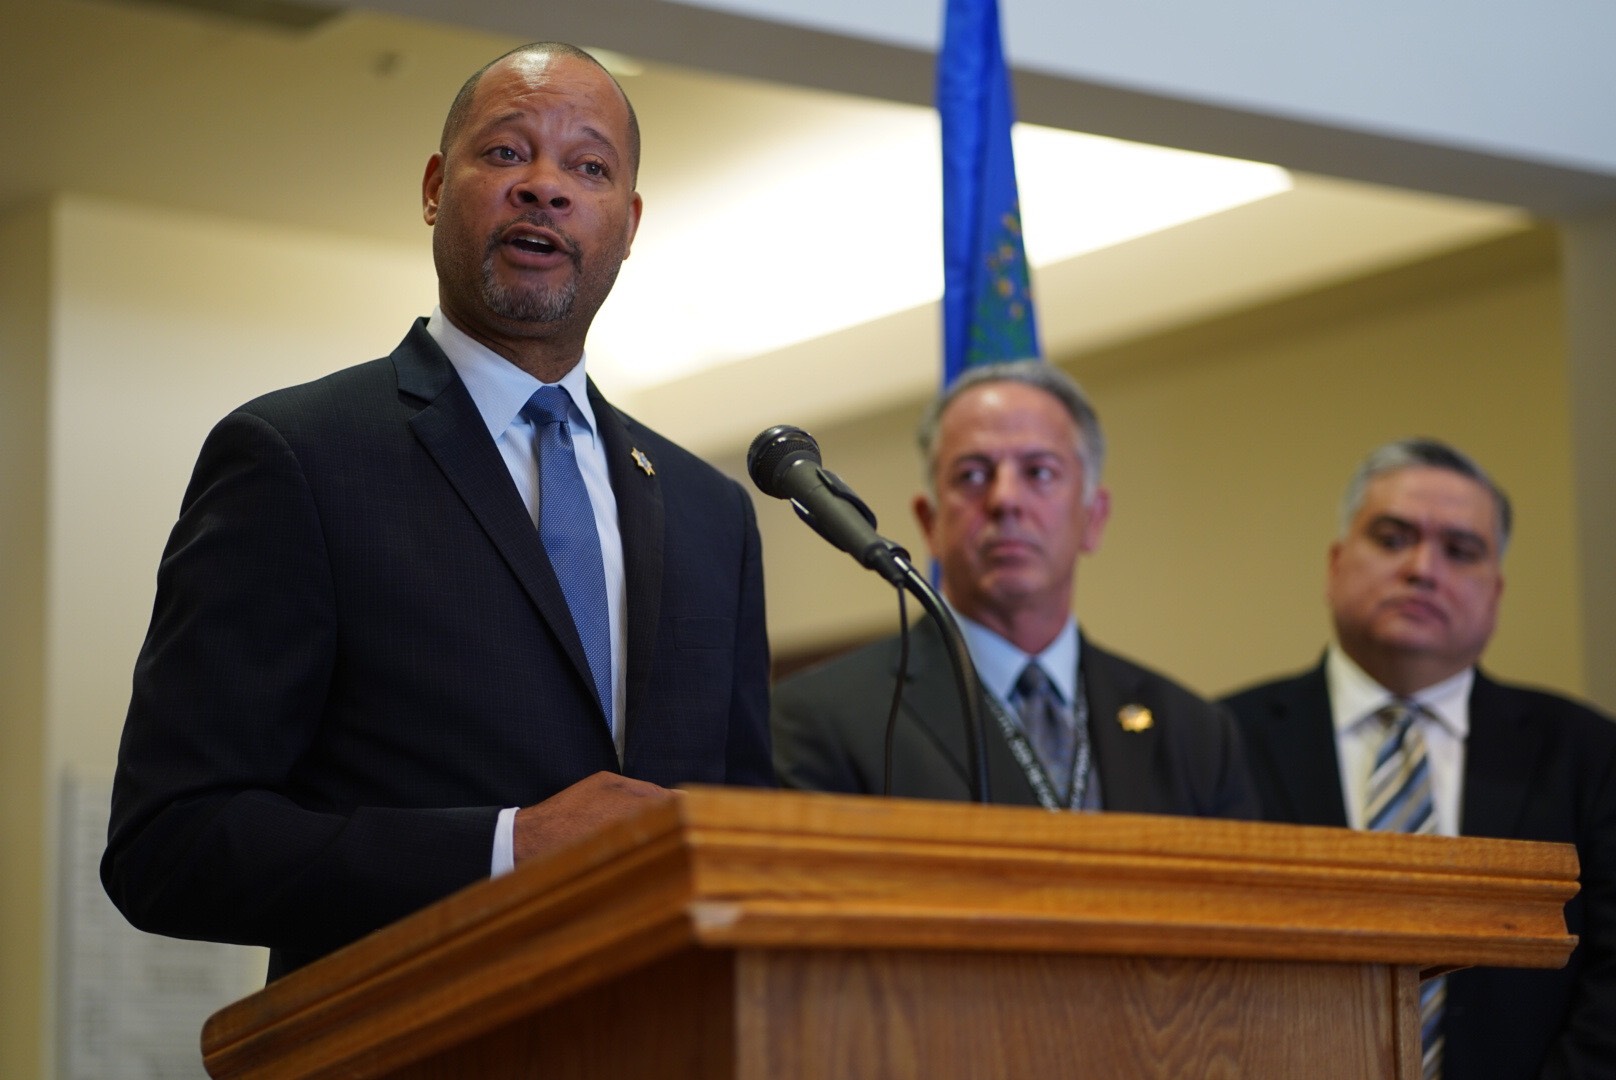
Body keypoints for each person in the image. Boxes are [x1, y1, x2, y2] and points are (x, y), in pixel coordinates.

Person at [101, 42, 773, 980]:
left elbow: (748, 827)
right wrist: (505, 849)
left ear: (628, 223)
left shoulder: (711, 514)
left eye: (589, 166)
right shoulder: (297, 457)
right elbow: (169, 844)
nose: (546, 187)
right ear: (432, 187)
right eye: (505, 154)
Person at [1220, 438, 1616, 1080]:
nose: (1423, 569)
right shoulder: (1221, 740)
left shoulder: (1589, 753)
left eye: (1461, 551)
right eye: (1393, 537)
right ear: (1336, 562)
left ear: (1496, 593)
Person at [772, 361, 1257, 819]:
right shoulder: (824, 720)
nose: (1005, 500)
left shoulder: (1196, 733)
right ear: (930, 523)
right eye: (973, 475)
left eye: (1039, 472)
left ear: (1094, 517)